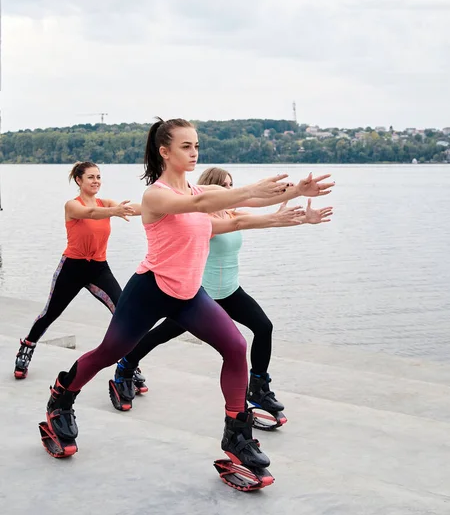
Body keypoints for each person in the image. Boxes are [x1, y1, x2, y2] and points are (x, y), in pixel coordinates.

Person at [40, 118, 333, 480]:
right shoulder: (156, 195)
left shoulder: (195, 193)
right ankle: (62, 397)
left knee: (235, 345)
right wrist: (253, 190)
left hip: (189, 295)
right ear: (164, 151)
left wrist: (293, 195)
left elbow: (237, 214)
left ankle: (237, 436)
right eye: (185, 146)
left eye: (196, 146)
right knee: (109, 352)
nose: (194, 152)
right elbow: (215, 199)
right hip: (150, 290)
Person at [110, 166, 333, 422]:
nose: (229, 190)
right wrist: (276, 217)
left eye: (231, 185)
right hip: (201, 294)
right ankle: (126, 364)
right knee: (162, 334)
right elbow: (240, 222)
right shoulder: (203, 221)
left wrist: (298, 211)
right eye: (224, 186)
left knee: (263, 327)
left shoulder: (230, 210)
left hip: (229, 291)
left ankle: (259, 386)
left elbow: (256, 205)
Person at [14, 161, 144, 390]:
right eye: (91, 177)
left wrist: (163, 206)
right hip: (72, 268)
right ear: (79, 181)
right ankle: (27, 346)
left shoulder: (107, 203)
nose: (96, 181)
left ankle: (129, 364)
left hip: (99, 268)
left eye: (98, 177)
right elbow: (91, 213)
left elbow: (132, 208)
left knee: (123, 312)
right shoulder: (72, 206)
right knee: (50, 313)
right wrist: (113, 211)